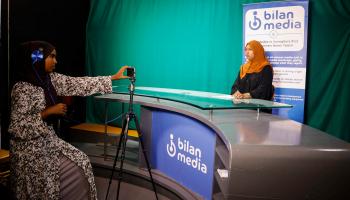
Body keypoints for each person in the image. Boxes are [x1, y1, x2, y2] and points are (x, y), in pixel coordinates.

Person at [8, 40, 130, 200]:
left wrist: (112, 78)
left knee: (82, 161)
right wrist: (47, 113)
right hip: (28, 151)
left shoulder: (51, 79)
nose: (55, 61)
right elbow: (17, 128)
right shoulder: (21, 89)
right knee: (45, 184)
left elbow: (78, 83)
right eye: (51, 56)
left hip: (48, 140)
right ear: (37, 58)